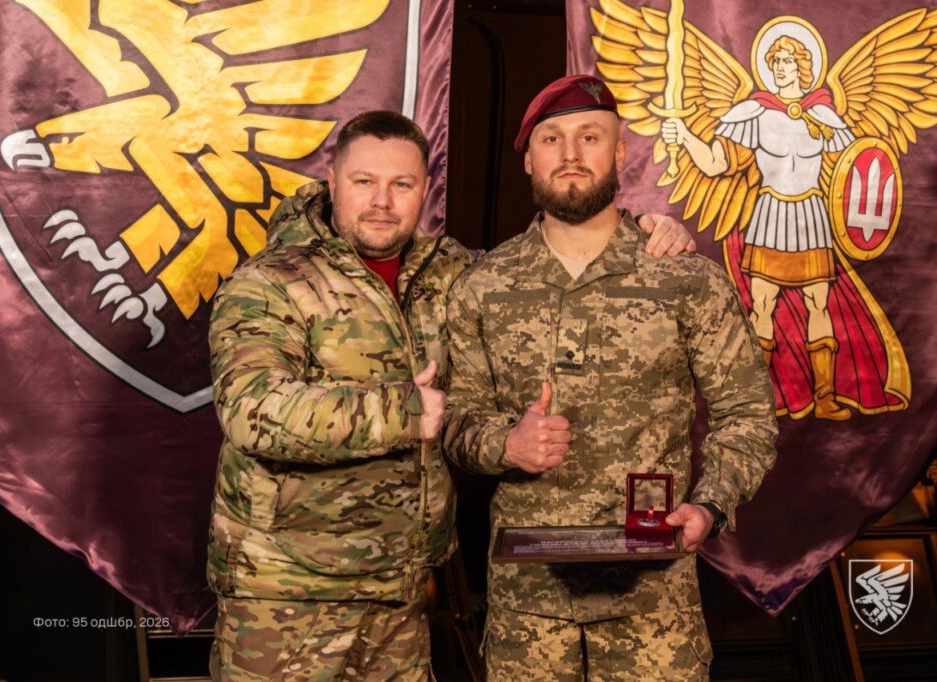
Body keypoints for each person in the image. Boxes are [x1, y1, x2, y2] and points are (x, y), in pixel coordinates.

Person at [206, 109, 697, 680]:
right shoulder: (269, 281)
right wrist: (403, 411)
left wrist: (640, 233)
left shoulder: (452, 272)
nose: (382, 201)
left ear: (426, 189)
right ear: (333, 183)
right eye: (364, 182)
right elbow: (251, 410)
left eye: (402, 184)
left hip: (405, 589)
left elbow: (548, 267)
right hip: (285, 592)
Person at [443, 75, 779, 680]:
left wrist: (709, 506)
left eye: (590, 137)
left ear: (620, 153)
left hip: (653, 603)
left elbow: (748, 416)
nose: (570, 154)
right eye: (552, 139)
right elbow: (455, 420)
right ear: (528, 160)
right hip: (529, 606)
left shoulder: (685, 279)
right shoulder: (482, 286)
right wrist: (506, 444)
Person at [661, 35, 855, 419]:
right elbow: (716, 163)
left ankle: (825, 396)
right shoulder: (755, 113)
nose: (780, 68)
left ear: (803, 66)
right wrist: (684, 136)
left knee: (819, 303)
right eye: (775, 61)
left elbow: (857, 163)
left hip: (812, 216)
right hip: (771, 216)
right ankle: (757, 403)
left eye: (787, 61)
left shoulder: (823, 115)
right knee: (762, 305)